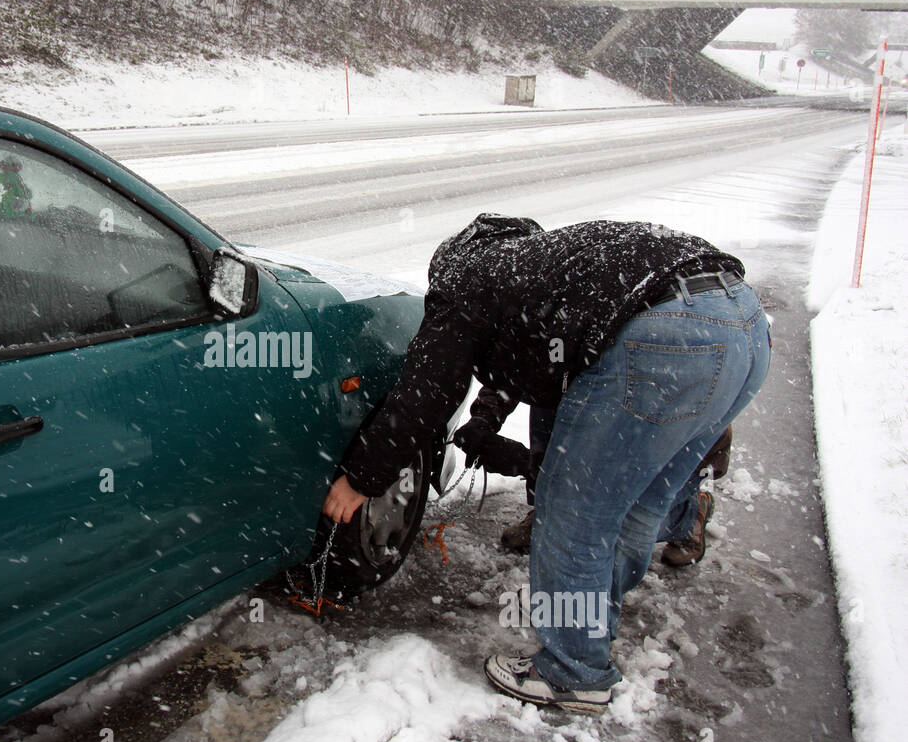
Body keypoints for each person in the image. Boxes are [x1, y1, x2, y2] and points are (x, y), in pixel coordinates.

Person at [321, 213, 770, 713]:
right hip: (743, 325)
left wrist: (361, 478)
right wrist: (486, 421)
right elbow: (526, 352)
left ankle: (573, 670)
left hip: (665, 337)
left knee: (572, 518)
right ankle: (656, 548)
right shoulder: (538, 267)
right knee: (639, 504)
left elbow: (426, 392)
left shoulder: (464, 278)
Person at [487, 387, 733, 568]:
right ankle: (552, 509)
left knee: (612, 534)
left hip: (673, 438)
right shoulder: (572, 328)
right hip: (604, 403)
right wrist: (485, 416)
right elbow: (517, 355)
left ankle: (687, 516)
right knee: (554, 383)